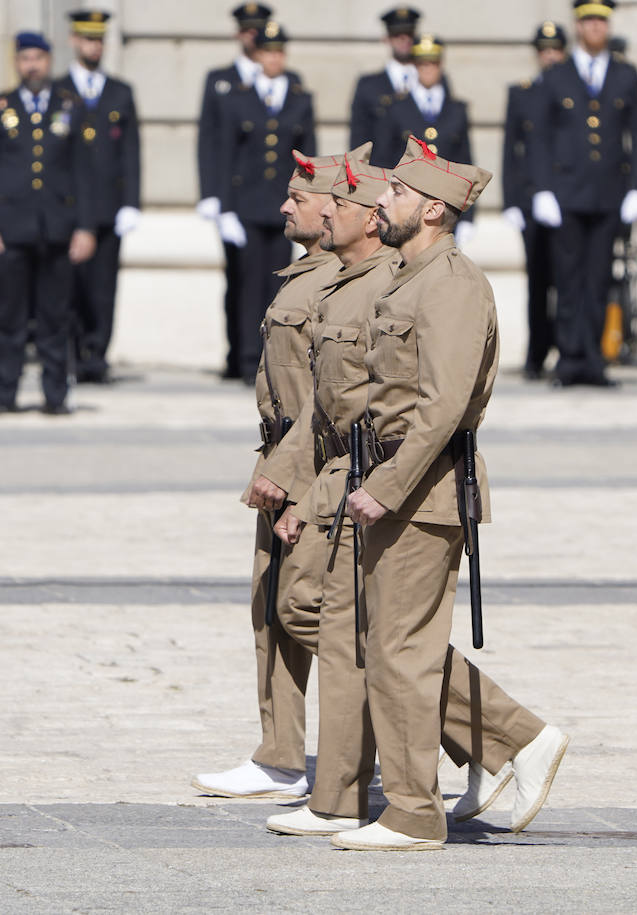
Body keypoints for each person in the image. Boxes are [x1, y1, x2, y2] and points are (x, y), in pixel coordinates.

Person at [264, 145, 557, 839]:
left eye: (393, 192)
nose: (376, 201)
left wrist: (386, 486)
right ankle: (394, 797)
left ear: (431, 207)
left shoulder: (451, 284)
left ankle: (417, 808)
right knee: (376, 642)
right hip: (383, 480)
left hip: (422, 490)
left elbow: (443, 403)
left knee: (398, 649)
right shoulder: (406, 281)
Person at [192, 147, 347, 800]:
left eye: (298, 197)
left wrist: (295, 484)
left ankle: (478, 734)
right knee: (269, 615)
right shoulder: (302, 273)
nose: (284, 205)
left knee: (313, 613)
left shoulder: (339, 283)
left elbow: (326, 399)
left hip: (308, 466)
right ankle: (280, 753)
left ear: (335, 208)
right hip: (279, 457)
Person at [0, 31, 95, 415]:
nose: (33, 66)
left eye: (39, 58)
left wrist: (85, 226)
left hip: (56, 228)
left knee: (54, 317)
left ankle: (55, 396)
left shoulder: (69, 105)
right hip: (10, 228)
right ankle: (5, 395)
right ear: (16, 62)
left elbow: (83, 172)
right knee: (8, 318)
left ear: (49, 60)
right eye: (26, 58)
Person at [530, 0, 637, 388]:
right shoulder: (557, 75)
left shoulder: (626, 74)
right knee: (567, 281)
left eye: (602, 20)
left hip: (609, 193)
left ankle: (595, 360)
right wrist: (544, 189)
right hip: (566, 195)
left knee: (599, 279)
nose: (596, 27)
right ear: (578, 26)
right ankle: (569, 359)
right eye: (589, 21)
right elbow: (541, 137)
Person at [216, 21, 316, 385]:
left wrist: (313, 203)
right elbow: (225, 155)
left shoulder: (299, 96)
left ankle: (274, 356)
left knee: (279, 284)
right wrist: (224, 207)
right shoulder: (238, 98)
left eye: (279, 52)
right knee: (247, 283)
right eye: (268, 52)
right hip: (246, 204)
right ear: (257, 56)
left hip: (283, 205)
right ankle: (246, 359)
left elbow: (309, 156)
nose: (274, 59)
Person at [58, 9, 141, 385]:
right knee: (70, 283)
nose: (94, 46)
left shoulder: (120, 92)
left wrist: (131, 203)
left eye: (99, 39)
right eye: (88, 39)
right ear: (75, 41)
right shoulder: (59, 91)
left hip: (108, 206)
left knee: (104, 286)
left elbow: (131, 152)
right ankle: (71, 352)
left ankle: (97, 354)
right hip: (70, 209)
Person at [198, 3, 276, 380]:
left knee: (267, 280)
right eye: (247, 30)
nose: (252, 36)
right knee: (238, 280)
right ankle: (237, 353)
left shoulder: (282, 83)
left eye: (257, 30)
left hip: (268, 201)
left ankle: (257, 356)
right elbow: (211, 142)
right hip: (236, 199)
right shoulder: (220, 80)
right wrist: (213, 195)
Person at [503, 22, 568, 380]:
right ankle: (537, 351)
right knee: (538, 279)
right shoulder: (523, 93)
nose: (550, 55)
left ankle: (567, 346)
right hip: (532, 200)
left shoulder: (572, 92)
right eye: (544, 49)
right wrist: (512, 200)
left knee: (568, 279)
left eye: (556, 49)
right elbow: (513, 150)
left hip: (567, 198)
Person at [378, 35, 476, 245]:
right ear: (414, 66)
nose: (428, 69)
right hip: (406, 208)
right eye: (422, 64)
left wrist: (468, 216)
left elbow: (465, 164)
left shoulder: (457, 110)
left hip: (446, 209)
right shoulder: (396, 108)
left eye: (433, 63)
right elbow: (384, 161)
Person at [351, 7, 421, 167]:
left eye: (408, 34)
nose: (404, 40)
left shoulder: (431, 81)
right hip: (382, 176)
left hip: (421, 179)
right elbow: (358, 142)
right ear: (387, 39)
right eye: (397, 35)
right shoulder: (368, 85)